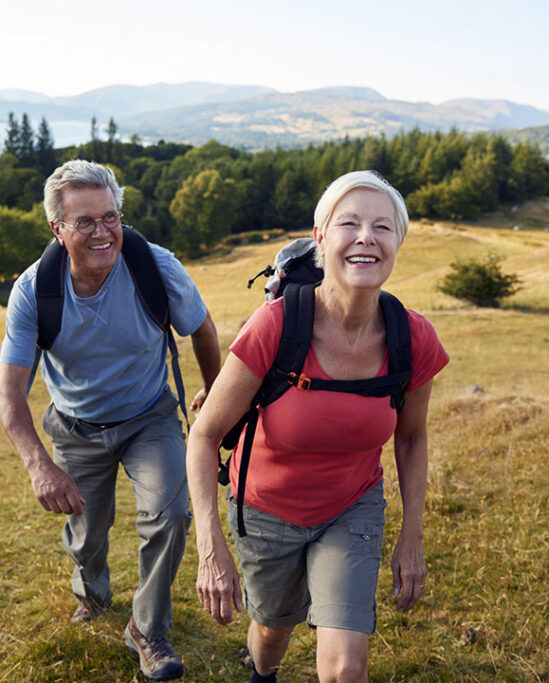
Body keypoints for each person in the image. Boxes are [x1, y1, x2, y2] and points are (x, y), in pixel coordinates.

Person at [186, 170, 448, 682]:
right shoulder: (278, 325)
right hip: (265, 509)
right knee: (270, 636)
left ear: (398, 244)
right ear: (321, 240)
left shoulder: (412, 337)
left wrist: (412, 534)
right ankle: (263, 672)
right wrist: (209, 545)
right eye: (349, 223)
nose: (366, 237)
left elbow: (412, 436)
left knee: (347, 667)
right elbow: (204, 434)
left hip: (351, 506)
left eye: (383, 227)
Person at [0, 160, 221, 682]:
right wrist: (39, 466)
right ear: (57, 228)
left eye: (110, 217)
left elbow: (203, 329)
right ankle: (92, 591)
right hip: (75, 428)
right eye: (85, 222)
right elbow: (8, 393)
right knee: (87, 535)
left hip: (150, 418)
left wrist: (215, 395)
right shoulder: (34, 290)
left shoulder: (155, 266)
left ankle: (148, 631)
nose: (103, 232)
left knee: (170, 516)